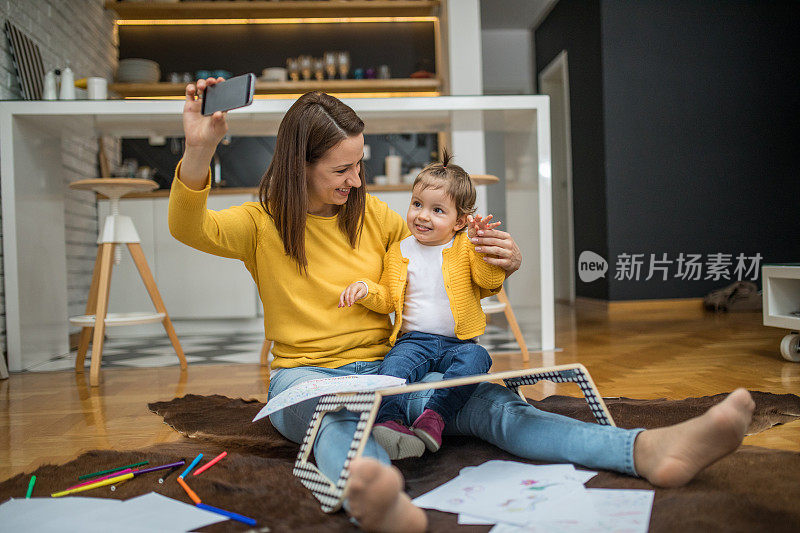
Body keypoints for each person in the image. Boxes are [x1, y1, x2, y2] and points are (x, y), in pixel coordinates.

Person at [170, 81, 756, 533]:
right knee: (340, 423)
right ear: (300, 164)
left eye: (360, 164)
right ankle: (379, 496)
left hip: (398, 370)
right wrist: (200, 149)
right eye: (341, 169)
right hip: (308, 380)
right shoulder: (258, 223)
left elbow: (445, 276)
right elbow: (187, 226)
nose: (357, 179)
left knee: (496, 406)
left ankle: (645, 450)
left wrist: (500, 262)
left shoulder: (377, 220)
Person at [338, 153, 505, 459]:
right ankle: (390, 421)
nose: (423, 216)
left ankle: (434, 417)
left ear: (459, 221)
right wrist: (365, 289)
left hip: (460, 342)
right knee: (391, 370)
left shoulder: (465, 246)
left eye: (437, 210)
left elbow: (490, 282)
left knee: (478, 359)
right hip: (414, 340)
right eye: (417, 204)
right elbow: (388, 297)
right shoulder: (399, 250)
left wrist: (482, 246)